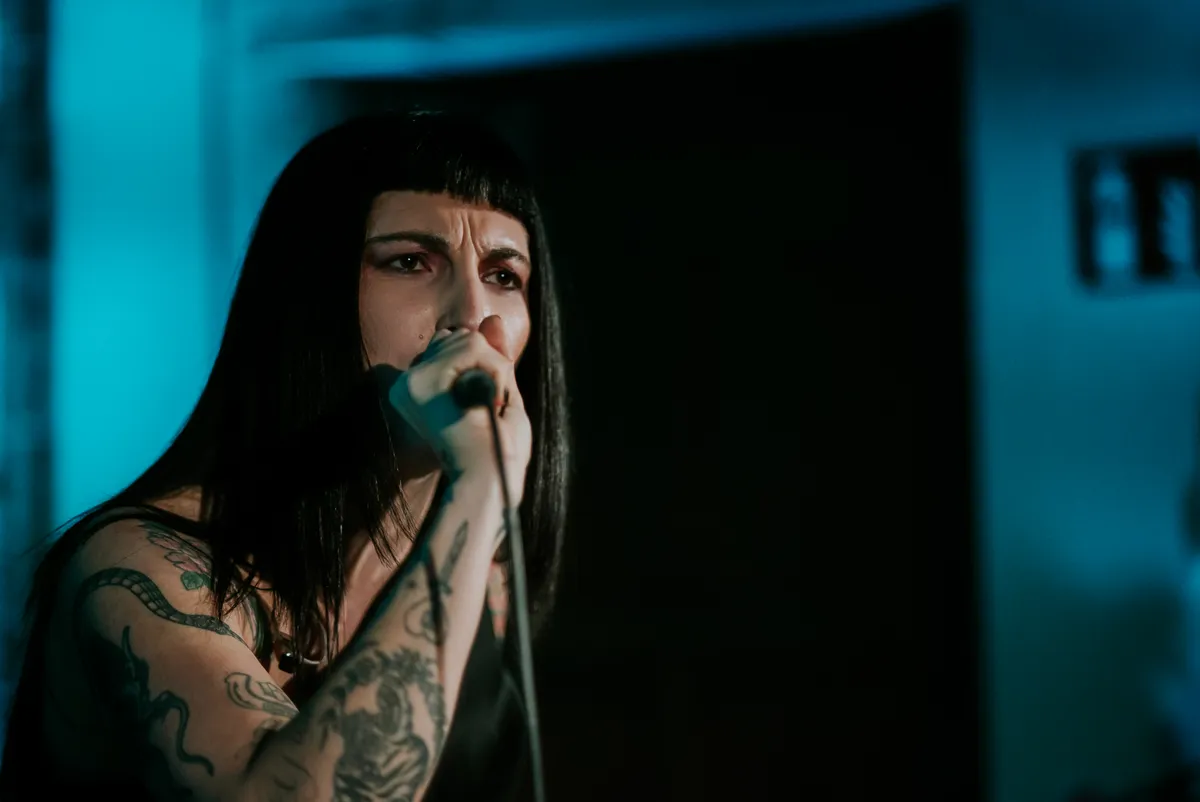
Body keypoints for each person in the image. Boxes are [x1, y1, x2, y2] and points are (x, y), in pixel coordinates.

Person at [0, 110, 570, 801]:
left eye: (504, 275)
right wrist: (478, 491)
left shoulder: (487, 574)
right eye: (409, 262)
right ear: (309, 298)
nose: (471, 315)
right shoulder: (138, 570)